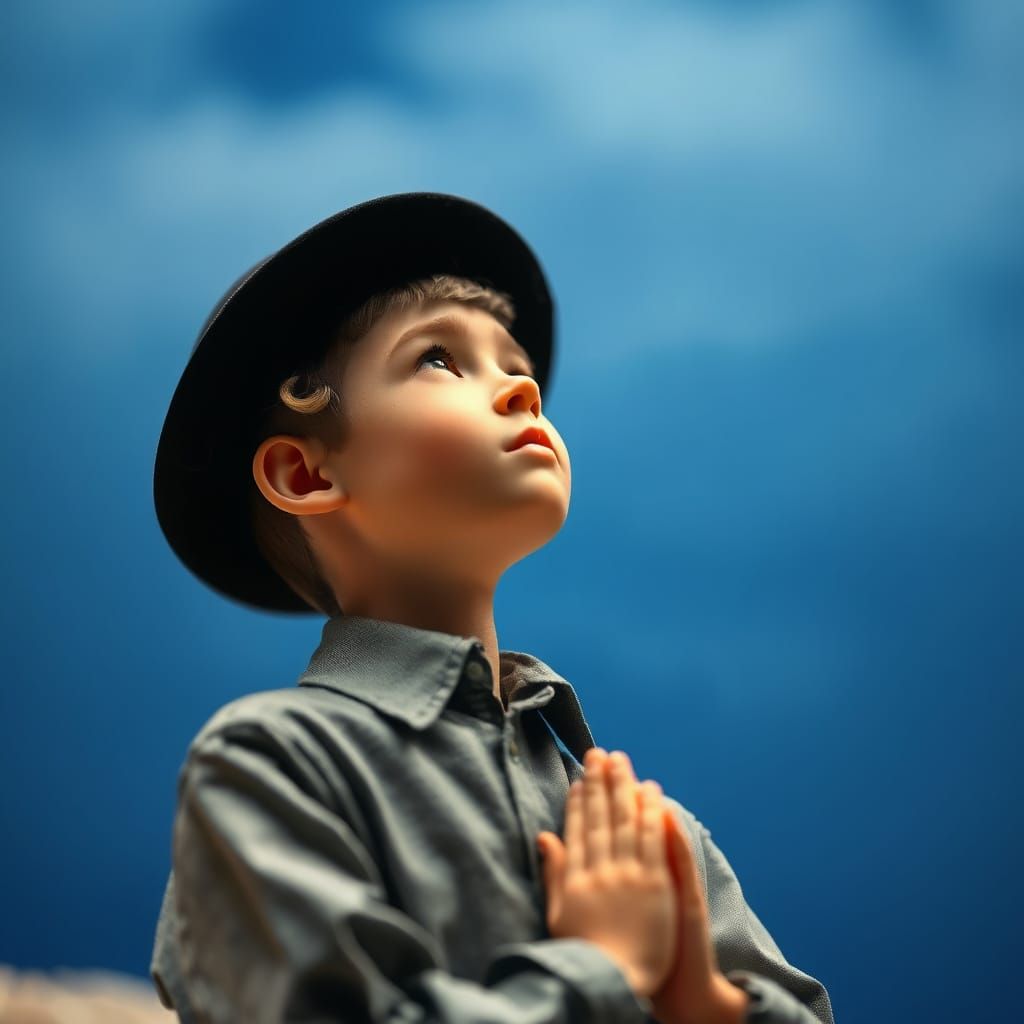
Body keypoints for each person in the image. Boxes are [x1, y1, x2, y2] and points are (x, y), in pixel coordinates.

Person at [149, 192, 834, 1024]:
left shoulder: (645, 829)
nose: (520, 389)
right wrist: (604, 967)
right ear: (306, 475)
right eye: (439, 358)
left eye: (521, 367)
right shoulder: (274, 765)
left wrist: (705, 1001)